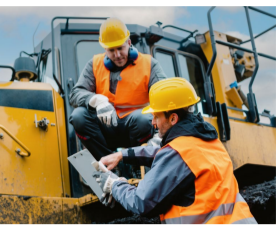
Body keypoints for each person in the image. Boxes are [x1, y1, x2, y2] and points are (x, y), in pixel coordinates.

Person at [93, 78, 257, 224]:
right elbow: (166, 154)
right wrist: (122, 155)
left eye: (156, 116)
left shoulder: (178, 152)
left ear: (173, 118)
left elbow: (141, 202)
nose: (153, 123)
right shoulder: (208, 141)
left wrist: (114, 185)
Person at [69, 17, 166, 161]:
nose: (117, 55)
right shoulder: (94, 64)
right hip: (105, 129)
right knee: (78, 116)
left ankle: (137, 164)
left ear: (128, 42)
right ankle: (108, 165)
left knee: (143, 118)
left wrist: (161, 135)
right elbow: (75, 94)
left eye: (120, 48)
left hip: (138, 130)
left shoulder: (149, 64)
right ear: (104, 49)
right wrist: (95, 100)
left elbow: (165, 97)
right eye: (111, 50)